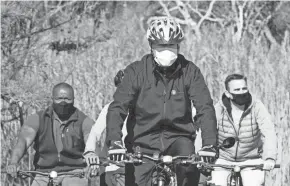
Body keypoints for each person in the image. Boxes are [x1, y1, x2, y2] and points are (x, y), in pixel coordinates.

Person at [106, 17, 218, 186]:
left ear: (178, 46)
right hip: (142, 140)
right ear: (151, 46)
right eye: (161, 46)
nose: (167, 50)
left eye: (171, 46)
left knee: (189, 171)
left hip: (179, 137)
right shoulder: (136, 71)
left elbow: (205, 108)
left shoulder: (190, 71)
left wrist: (209, 144)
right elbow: (117, 107)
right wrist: (114, 142)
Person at [6, 82, 95, 186]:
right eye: (59, 98)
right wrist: (13, 162)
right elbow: (23, 141)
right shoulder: (37, 119)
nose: (63, 102)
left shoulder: (85, 121)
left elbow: (91, 143)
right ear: (52, 99)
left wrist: (93, 162)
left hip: (75, 173)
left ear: (74, 99)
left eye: (67, 99)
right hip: (43, 173)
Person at [211, 74, 277, 186]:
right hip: (224, 159)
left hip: (251, 159)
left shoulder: (257, 106)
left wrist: (269, 158)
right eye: (237, 89)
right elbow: (207, 130)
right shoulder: (219, 108)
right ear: (228, 94)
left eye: (244, 88)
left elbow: (268, 132)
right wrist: (204, 152)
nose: (241, 92)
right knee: (217, 183)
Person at [84, 70, 128, 186]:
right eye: (120, 88)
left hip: (137, 162)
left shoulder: (144, 108)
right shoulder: (110, 108)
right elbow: (95, 132)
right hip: (113, 163)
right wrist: (90, 152)